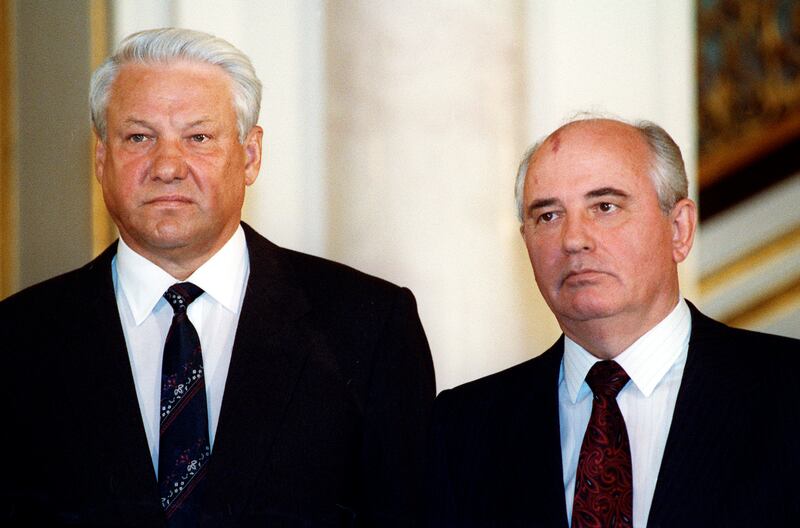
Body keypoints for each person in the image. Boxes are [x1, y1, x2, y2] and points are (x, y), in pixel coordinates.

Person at [1, 28, 435, 527]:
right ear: (101, 158)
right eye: (139, 137)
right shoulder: (17, 340)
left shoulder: (369, 324)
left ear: (250, 156)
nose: (167, 166)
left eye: (198, 138)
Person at [426, 117, 800, 527]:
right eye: (548, 216)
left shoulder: (786, 390)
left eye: (605, 207)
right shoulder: (462, 428)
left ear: (679, 229)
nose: (573, 239)